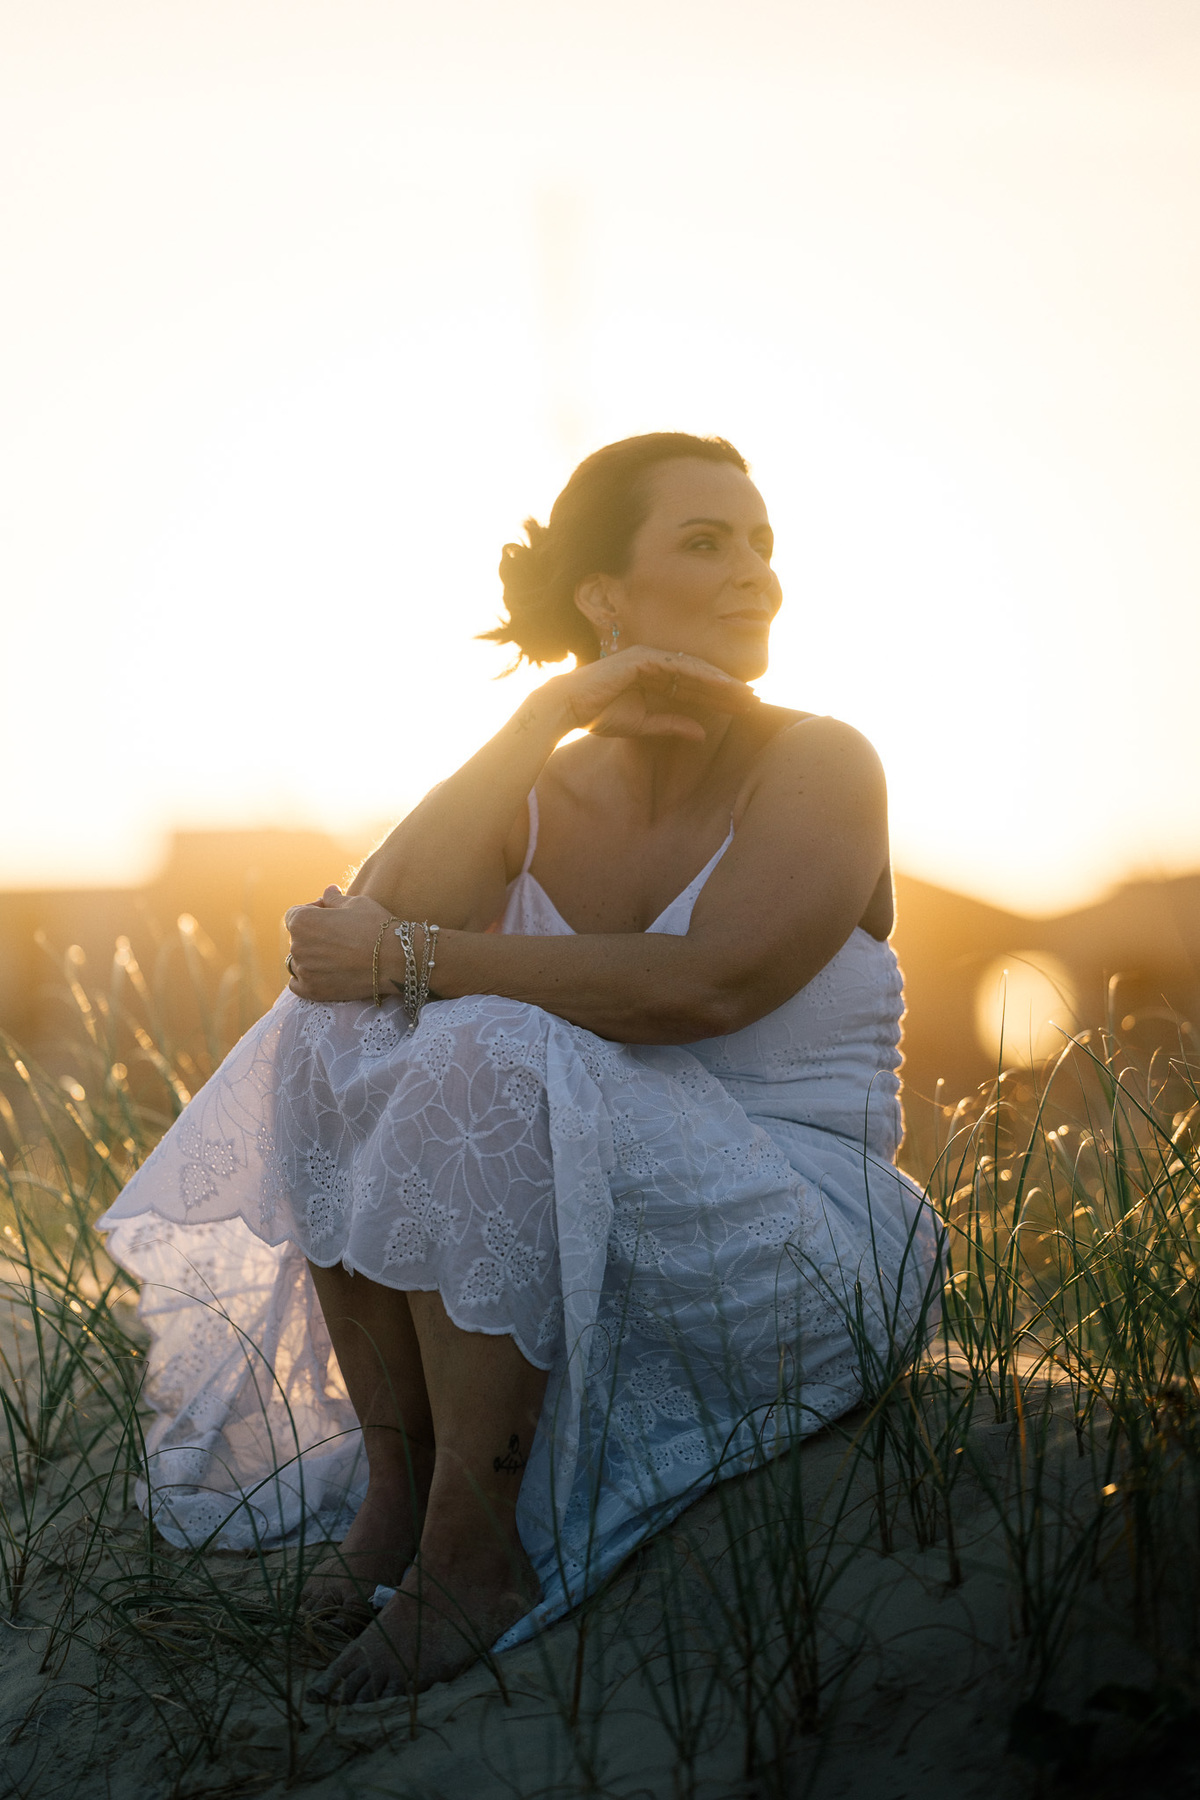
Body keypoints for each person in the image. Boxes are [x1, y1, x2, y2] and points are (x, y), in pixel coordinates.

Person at [97, 431, 938, 1704]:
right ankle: (399, 1491)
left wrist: (424, 960)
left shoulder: (820, 759)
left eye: (763, 544)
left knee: (478, 1031)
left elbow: (705, 985)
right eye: (706, 543)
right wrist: (539, 717)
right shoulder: (536, 782)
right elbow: (343, 956)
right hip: (579, 1217)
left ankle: (471, 1557)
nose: (755, 576)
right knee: (339, 1031)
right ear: (604, 594)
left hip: (798, 1235)